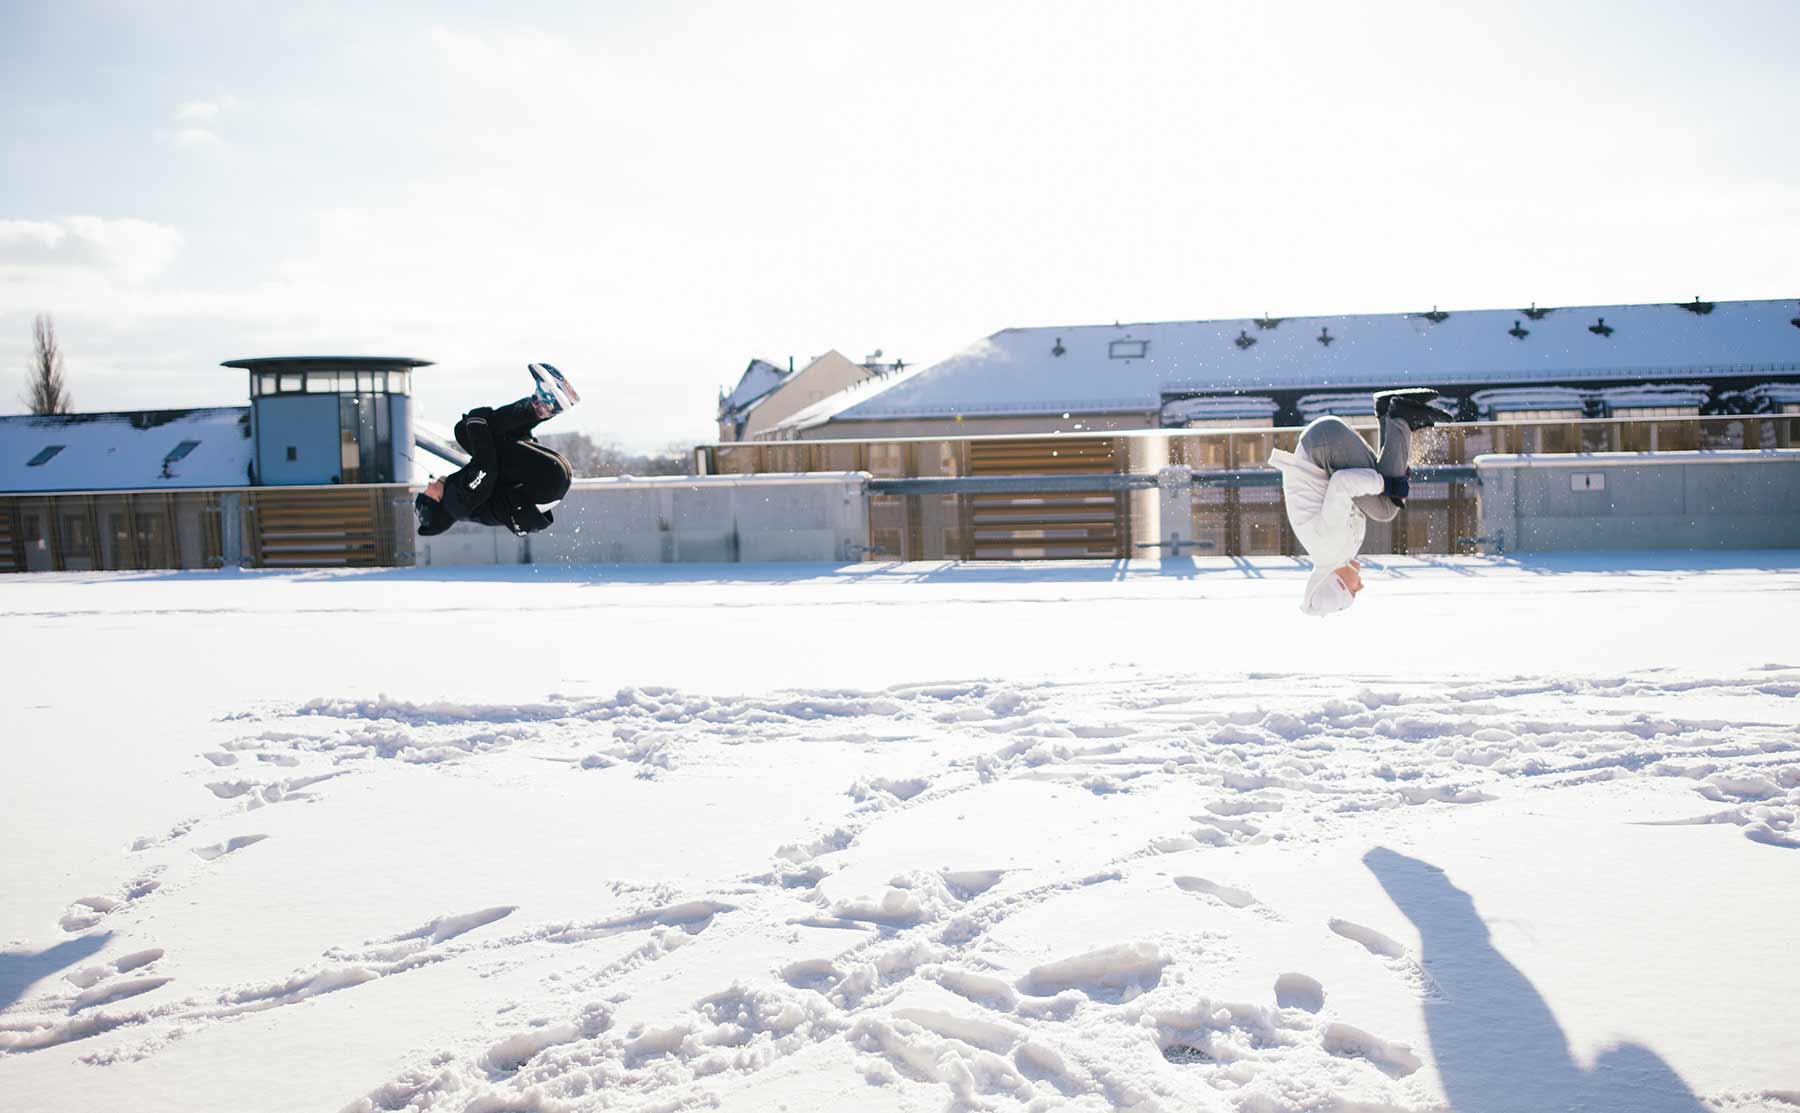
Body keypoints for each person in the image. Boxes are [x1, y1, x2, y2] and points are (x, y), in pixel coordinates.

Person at [1268, 389, 1444, 616]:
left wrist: (1386, 485)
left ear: (1338, 582)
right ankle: (1388, 411)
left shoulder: (1330, 546)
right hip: (1322, 442)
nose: (1360, 586)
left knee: (1386, 509)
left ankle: (1400, 415)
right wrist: (1387, 483)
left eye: (1353, 591)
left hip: (1323, 445)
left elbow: (1342, 483)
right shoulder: (1336, 552)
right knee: (1384, 501)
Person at [414, 387, 573, 538]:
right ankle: (544, 404)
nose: (429, 484)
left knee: (477, 431)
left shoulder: (457, 500)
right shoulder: (456, 501)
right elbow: (485, 471)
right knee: (467, 431)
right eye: (426, 492)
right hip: (545, 482)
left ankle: (548, 405)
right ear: (436, 501)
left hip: (550, 482)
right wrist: (477, 426)